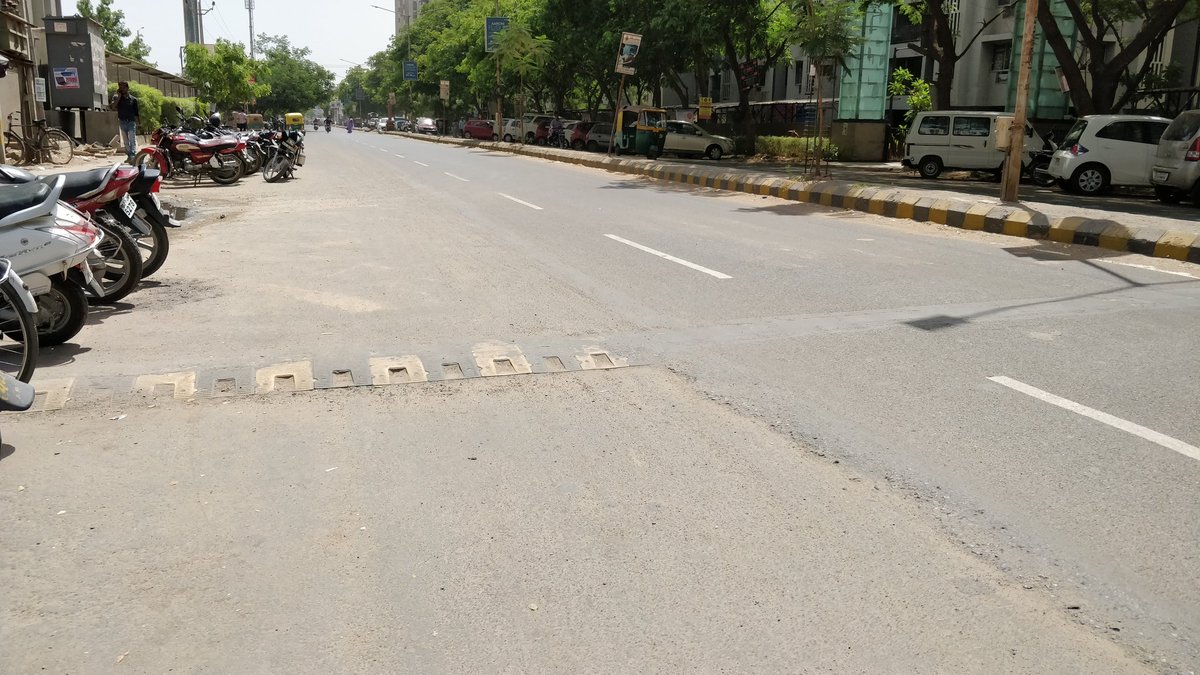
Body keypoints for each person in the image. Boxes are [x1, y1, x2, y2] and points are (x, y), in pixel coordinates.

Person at [110, 81, 139, 162]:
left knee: (132, 139)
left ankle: (133, 155)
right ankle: (129, 156)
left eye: (123, 87)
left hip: (131, 122)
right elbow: (113, 107)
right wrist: (119, 96)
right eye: (120, 87)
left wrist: (138, 122)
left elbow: (136, 112)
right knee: (126, 141)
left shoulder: (133, 99)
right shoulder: (117, 98)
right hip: (122, 121)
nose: (122, 89)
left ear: (127, 88)